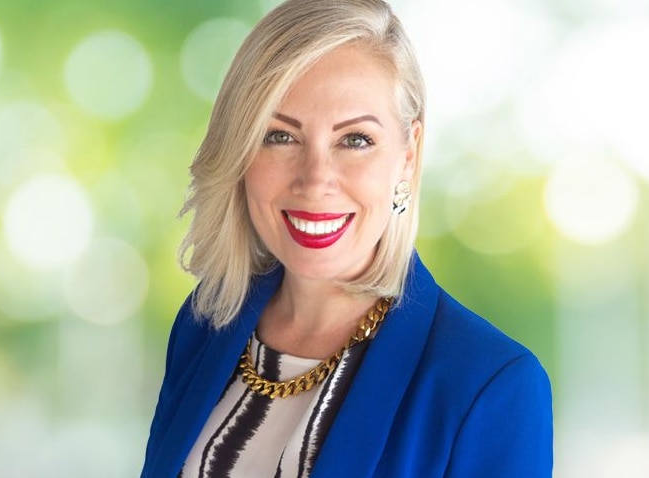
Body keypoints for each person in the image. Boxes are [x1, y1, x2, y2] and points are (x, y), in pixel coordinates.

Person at [141, 0, 553, 476]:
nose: (315, 180)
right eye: (280, 136)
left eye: (354, 139)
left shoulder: (490, 386)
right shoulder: (204, 327)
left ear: (407, 155)